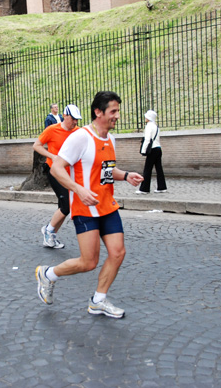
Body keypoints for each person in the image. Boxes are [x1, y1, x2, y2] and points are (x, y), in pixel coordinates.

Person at [35, 91, 143, 319]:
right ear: (98, 112)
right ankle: (48, 274)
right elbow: (57, 168)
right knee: (88, 262)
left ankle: (98, 300)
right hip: (85, 208)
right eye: (113, 111)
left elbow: (105, 171)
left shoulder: (110, 139)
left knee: (118, 252)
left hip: (107, 205)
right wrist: (78, 189)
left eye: (117, 111)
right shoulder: (80, 137)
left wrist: (125, 175)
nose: (117, 116)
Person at [33, 104, 82, 249]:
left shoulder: (78, 132)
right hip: (55, 172)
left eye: (77, 120)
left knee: (63, 206)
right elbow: (37, 145)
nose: (75, 122)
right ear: (65, 116)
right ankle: (48, 231)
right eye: (73, 119)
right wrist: (52, 156)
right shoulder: (52, 129)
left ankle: (50, 234)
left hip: (70, 174)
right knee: (66, 206)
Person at [137, 110, 167, 194]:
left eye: (146, 116)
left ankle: (144, 189)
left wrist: (143, 150)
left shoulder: (149, 126)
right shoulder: (156, 126)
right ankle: (162, 187)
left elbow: (147, 139)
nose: (145, 118)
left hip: (152, 149)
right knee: (159, 169)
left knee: (147, 169)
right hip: (158, 148)